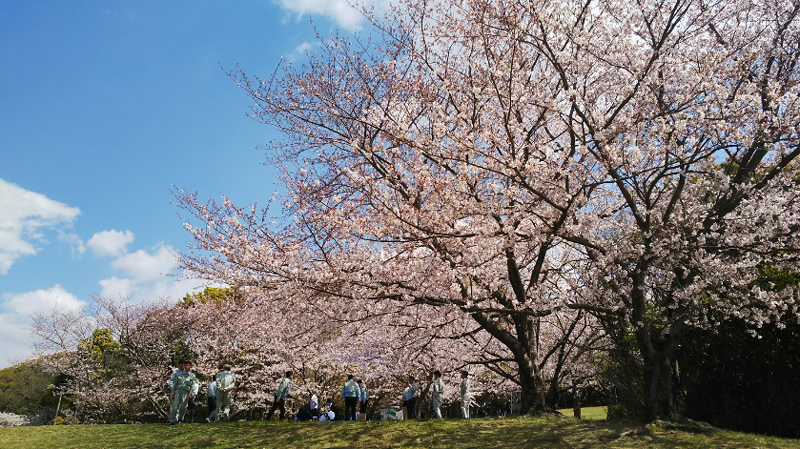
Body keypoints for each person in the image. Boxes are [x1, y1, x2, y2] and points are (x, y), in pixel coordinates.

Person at [168, 360, 198, 425]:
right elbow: (174, 384)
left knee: (183, 407)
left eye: (188, 365)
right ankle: (172, 420)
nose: (186, 367)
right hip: (178, 391)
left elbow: (193, 385)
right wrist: (173, 393)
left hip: (186, 393)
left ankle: (180, 418)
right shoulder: (178, 374)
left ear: (190, 367)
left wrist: (191, 393)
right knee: (175, 407)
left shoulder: (192, 375)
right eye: (185, 365)